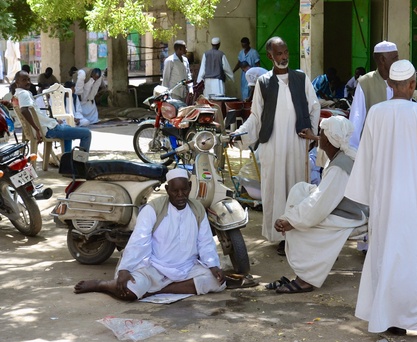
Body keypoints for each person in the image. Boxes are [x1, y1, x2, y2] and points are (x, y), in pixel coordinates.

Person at [344, 60, 417, 336]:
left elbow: (365, 158)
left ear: (390, 85)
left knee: (386, 255)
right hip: (416, 200)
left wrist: (368, 198)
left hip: (385, 201)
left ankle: (389, 319)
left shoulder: (376, 113)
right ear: (412, 85)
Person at [73, 169, 226, 300]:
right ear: (167, 190)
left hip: (187, 268)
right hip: (154, 268)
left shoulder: (197, 209)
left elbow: (205, 241)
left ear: (190, 187)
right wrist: (125, 269)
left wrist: (213, 265)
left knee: (218, 282)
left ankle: (158, 291)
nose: (181, 195)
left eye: (184, 190)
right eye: (175, 191)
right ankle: (102, 284)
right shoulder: (152, 209)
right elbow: (139, 240)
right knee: (128, 291)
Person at [233, 36, 320, 257]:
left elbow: (314, 106)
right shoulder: (263, 83)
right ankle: (280, 235)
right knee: (275, 189)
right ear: (270, 56)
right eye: (278, 54)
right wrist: (240, 133)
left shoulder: (301, 78)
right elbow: (256, 116)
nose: (283, 57)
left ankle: (296, 233)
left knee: (296, 187)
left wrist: (311, 133)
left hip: (297, 143)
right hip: (272, 144)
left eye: (286, 52)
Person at [270, 116, 368, 293]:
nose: (319, 136)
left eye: (321, 134)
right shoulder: (341, 154)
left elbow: (320, 204)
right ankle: (309, 264)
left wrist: (291, 221)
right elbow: (322, 198)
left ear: (329, 140)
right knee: (300, 190)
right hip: (345, 207)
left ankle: (306, 278)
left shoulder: (340, 167)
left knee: (303, 228)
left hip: (351, 215)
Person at [13, 71, 92, 153]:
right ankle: (80, 163)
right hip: (49, 129)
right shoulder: (23, 93)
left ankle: (67, 162)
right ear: (17, 82)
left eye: (29, 79)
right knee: (87, 133)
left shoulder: (18, 94)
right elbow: (24, 110)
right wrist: (37, 129)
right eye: (24, 80)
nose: (28, 82)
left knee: (68, 130)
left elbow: (33, 113)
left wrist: (52, 120)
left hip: (48, 126)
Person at [348, 41, 399, 149]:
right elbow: (357, 118)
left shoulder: (401, 81)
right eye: (395, 58)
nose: (397, 61)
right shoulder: (365, 82)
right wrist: (353, 150)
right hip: (374, 147)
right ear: (382, 60)